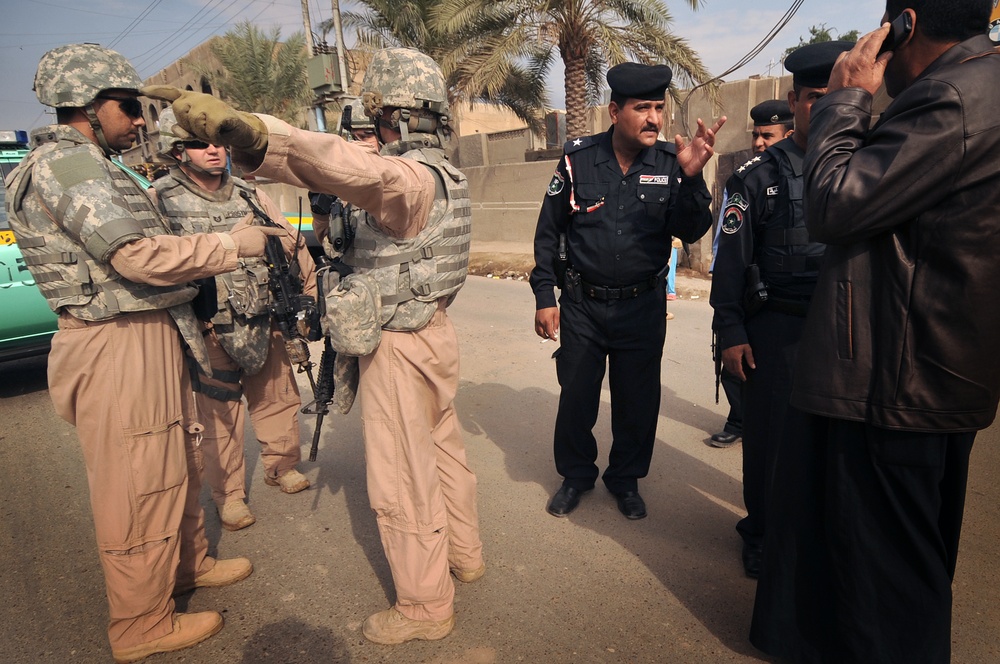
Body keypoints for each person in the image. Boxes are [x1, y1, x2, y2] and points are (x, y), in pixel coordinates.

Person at [144, 46, 485, 646]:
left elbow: (353, 168)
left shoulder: (405, 177)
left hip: (399, 346)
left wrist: (255, 135)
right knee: (443, 451)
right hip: (431, 330)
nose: (370, 133)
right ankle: (465, 554)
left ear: (395, 118)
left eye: (375, 120)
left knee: (403, 472)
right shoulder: (446, 172)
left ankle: (426, 606)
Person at [4, 44, 297, 662]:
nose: (140, 120)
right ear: (90, 105)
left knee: (175, 460)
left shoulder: (97, 165)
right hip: (115, 342)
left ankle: (188, 566)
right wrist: (232, 244)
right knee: (137, 481)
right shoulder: (70, 168)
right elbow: (134, 256)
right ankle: (141, 624)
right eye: (128, 107)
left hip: (148, 332)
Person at [749, 3, 1000, 661]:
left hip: (897, 385)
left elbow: (834, 204)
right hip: (932, 376)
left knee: (888, 597)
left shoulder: (952, 97)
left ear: (906, 24)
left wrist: (844, 104)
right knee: (892, 578)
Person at [531, 62, 725, 520]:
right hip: (582, 304)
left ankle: (625, 479)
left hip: (642, 306)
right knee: (577, 396)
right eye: (643, 108)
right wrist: (544, 295)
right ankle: (576, 475)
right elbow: (548, 231)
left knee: (637, 401)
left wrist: (694, 179)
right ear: (616, 111)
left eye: (659, 108)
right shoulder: (578, 159)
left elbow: (692, 230)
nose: (655, 118)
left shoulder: (670, 164)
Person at [709, 43, 850, 579]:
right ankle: (762, 533)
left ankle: (818, 533)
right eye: (817, 97)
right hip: (779, 329)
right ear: (794, 102)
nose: (828, 106)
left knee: (834, 445)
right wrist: (731, 330)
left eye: (838, 95)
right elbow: (729, 264)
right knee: (770, 444)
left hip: (841, 331)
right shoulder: (759, 177)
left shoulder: (866, 166)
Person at [151, 109, 317, 532]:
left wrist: (309, 296)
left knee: (278, 397)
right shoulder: (162, 199)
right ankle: (229, 495)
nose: (213, 151)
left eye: (219, 144)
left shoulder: (249, 194)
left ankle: (282, 466)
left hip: (265, 315)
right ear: (178, 151)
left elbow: (291, 243)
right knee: (218, 415)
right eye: (200, 144)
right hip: (209, 324)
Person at [708, 100, 794, 450]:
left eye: (767, 135)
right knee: (728, 356)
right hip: (740, 285)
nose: (759, 142)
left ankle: (749, 419)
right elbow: (729, 235)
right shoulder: (750, 175)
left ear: (788, 134)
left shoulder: (802, 176)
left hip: (775, 296)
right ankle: (738, 418)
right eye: (756, 134)